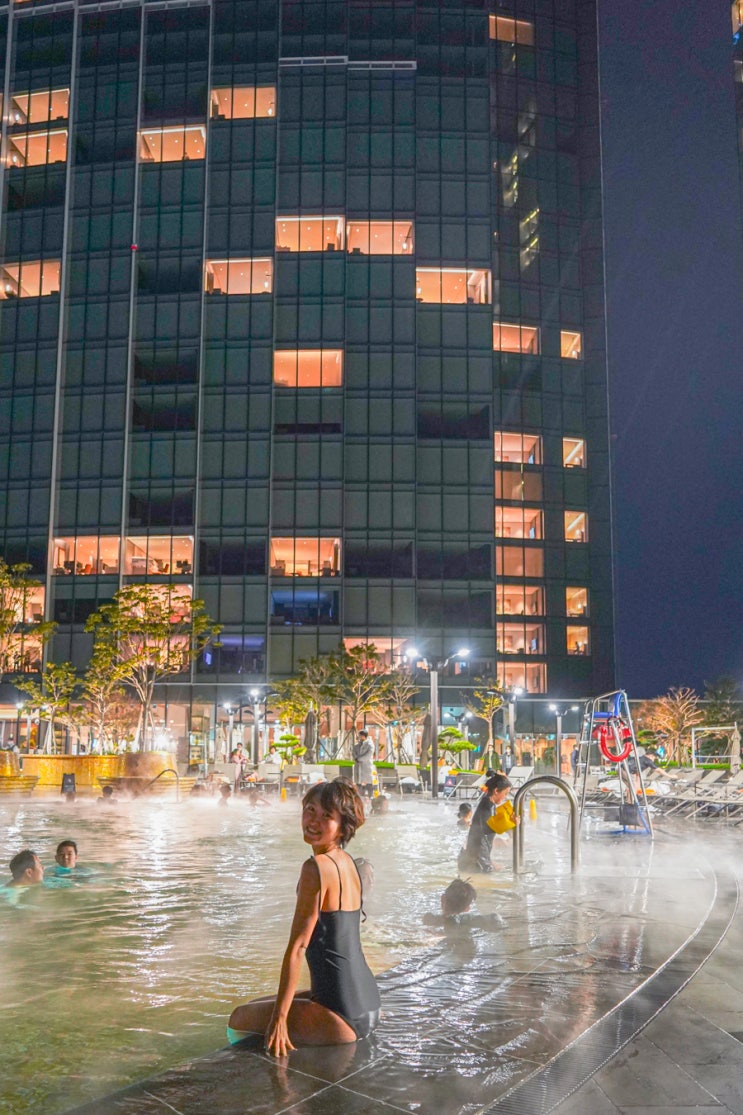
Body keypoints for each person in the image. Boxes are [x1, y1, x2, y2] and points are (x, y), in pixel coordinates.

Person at [228, 779, 381, 1055]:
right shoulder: (348, 862)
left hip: (341, 1017)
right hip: (369, 1002)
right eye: (310, 810)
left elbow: (298, 947)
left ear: (343, 825)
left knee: (239, 1018)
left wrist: (280, 1021)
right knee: (258, 1004)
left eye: (326, 816)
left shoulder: (315, 868)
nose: (314, 821)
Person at [458, 773, 515, 874]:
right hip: (476, 861)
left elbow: (482, 834)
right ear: (496, 791)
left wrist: (489, 861)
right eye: (505, 793)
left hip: (474, 858)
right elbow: (487, 830)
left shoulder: (487, 804)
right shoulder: (488, 807)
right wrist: (512, 823)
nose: (505, 797)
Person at [423, 879, 505, 930]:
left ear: (442, 898)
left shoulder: (430, 919)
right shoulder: (471, 920)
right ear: (467, 908)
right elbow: (495, 918)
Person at [352, 730, 375, 798]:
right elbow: (353, 753)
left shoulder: (370, 745)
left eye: (360, 735)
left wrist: (359, 759)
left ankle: (370, 797)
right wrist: (356, 758)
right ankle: (359, 797)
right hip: (358, 766)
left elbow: (368, 755)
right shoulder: (356, 745)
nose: (359, 737)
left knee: (368, 783)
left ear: (364, 736)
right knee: (358, 783)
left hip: (366, 767)